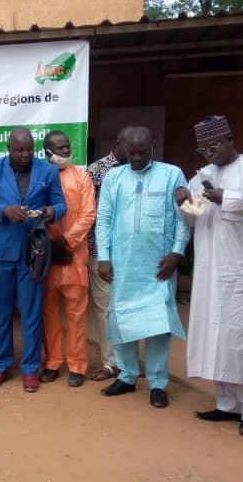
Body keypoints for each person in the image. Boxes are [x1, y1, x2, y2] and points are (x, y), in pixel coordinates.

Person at [178, 115, 243, 437]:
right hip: (211, 273)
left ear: (229, 139)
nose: (209, 154)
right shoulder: (202, 176)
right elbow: (194, 219)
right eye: (203, 149)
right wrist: (183, 203)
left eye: (213, 146)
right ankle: (227, 403)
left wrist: (230, 199)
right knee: (216, 338)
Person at [95, 127, 188, 409]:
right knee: (123, 318)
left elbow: (185, 217)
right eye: (131, 152)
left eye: (142, 152)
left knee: (158, 323)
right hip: (123, 263)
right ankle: (127, 375)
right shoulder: (114, 176)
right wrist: (104, 256)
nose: (136, 158)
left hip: (159, 265)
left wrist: (177, 252)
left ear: (153, 146)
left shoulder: (172, 174)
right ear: (122, 147)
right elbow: (104, 218)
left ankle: (158, 382)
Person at [0, 127, 66, 392]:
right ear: (8, 147)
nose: (25, 154)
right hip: (1, 252)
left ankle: (30, 369)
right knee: (2, 313)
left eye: (29, 149)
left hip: (33, 251)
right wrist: (4, 210)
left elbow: (61, 206)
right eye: (19, 150)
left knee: (31, 312)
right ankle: (1, 366)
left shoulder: (47, 171)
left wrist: (51, 212)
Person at [40, 130, 96, 387]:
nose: (65, 151)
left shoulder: (81, 176)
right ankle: (52, 362)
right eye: (59, 148)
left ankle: (77, 365)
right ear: (47, 153)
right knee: (49, 312)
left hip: (74, 255)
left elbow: (88, 214)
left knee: (75, 313)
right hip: (48, 256)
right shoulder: (39, 176)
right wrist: (52, 245)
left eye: (66, 147)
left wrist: (66, 242)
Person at [84, 132, 128, 382]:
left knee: (127, 308)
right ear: (117, 144)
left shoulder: (139, 170)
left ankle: (127, 362)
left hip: (131, 253)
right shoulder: (97, 170)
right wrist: (101, 252)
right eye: (129, 147)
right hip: (100, 252)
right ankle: (111, 363)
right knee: (104, 308)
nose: (135, 153)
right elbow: (89, 212)